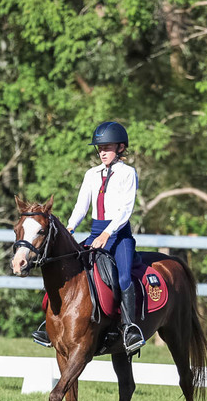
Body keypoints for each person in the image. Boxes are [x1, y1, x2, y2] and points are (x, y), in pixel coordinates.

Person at [32, 121, 145, 353]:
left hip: (118, 235)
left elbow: (126, 210)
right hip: (95, 233)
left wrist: (107, 233)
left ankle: (129, 328)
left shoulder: (127, 173)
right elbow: (81, 207)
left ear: (121, 148)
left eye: (108, 147)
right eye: (100, 148)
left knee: (123, 278)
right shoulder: (92, 174)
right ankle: (49, 322)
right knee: (66, 270)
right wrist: (70, 228)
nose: (102, 152)